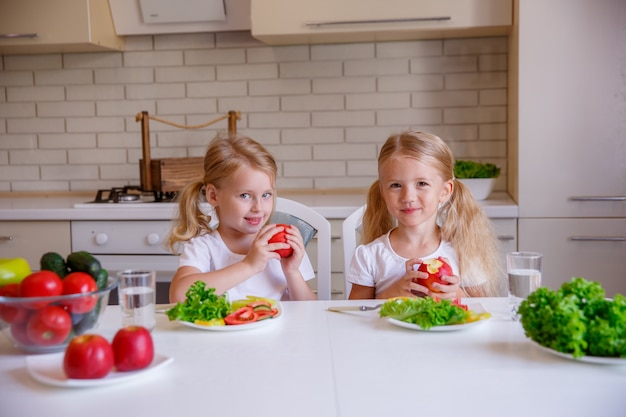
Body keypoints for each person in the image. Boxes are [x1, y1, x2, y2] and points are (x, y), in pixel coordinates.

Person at [348, 131, 506, 300]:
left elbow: (484, 307)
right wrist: (390, 294)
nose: (408, 197)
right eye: (395, 185)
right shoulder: (369, 255)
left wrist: (456, 294)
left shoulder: (463, 251)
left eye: (422, 184)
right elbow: (356, 313)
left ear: (444, 191)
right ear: (383, 191)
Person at [167, 133, 317, 303]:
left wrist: (292, 272)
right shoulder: (204, 248)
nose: (258, 207)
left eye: (266, 194)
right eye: (245, 195)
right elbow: (179, 297)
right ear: (214, 196)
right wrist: (249, 265)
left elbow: (311, 311)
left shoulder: (281, 246)